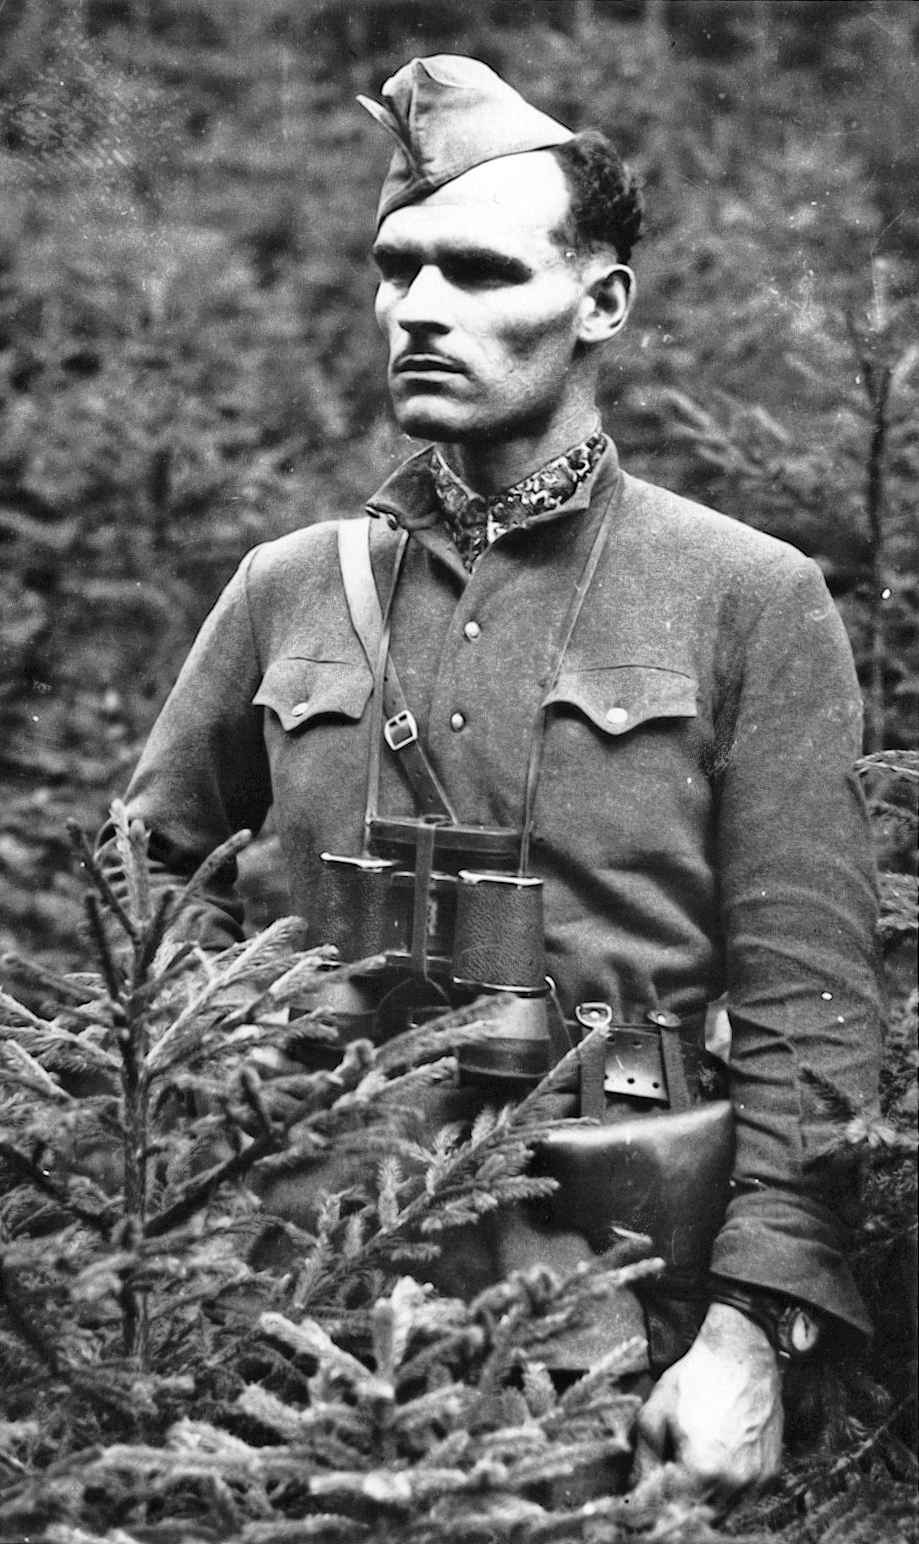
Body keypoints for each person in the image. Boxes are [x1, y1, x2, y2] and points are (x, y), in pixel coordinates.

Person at [106, 56, 881, 1498]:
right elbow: (144, 876)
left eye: (476, 269)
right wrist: (233, 1091)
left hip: (618, 1302)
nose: (418, 306)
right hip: (307, 1291)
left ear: (602, 302)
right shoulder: (288, 588)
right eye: (396, 269)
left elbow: (809, 1000)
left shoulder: (742, 595)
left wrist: (751, 1331)